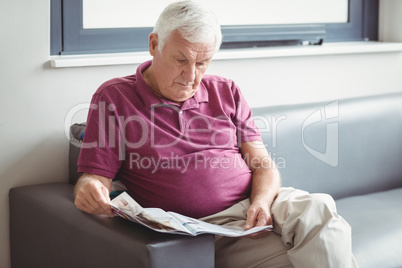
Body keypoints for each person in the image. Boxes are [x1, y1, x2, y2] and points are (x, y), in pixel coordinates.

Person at [74, 1, 358, 267]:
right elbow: (94, 179)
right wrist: (89, 189)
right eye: (180, 60)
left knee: (320, 208)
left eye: (202, 63)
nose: (190, 76)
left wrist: (261, 202)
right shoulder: (114, 98)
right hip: (210, 229)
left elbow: (263, 164)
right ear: (153, 44)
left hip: (261, 203)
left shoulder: (226, 90)